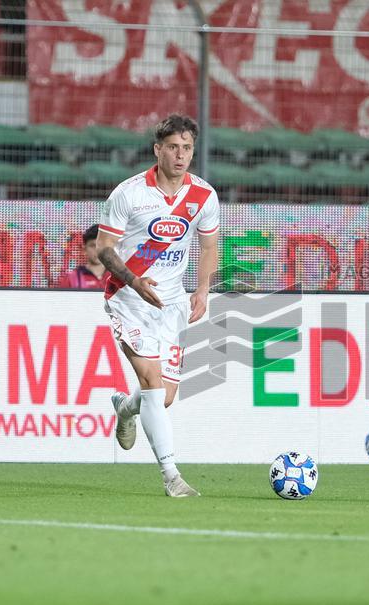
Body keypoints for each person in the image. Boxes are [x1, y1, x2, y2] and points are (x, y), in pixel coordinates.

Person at [95, 114, 220, 498]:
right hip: (128, 298)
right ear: (157, 150)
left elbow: (209, 246)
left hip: (172, 302)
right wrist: (134, 281)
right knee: (151, 381)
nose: (180, 156)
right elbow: (104, 249)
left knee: (163, 397)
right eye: (173, 148)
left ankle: (124, 408)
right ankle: (172, 476)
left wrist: (202, 290)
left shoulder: (203, 196)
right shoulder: (129, 194)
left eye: (187, 148)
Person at [57, 224, 109, 289]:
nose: (97, 250)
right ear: (84, 249)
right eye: (93, 245)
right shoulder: (71, 279)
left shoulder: (117, 278)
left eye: (102, 245)